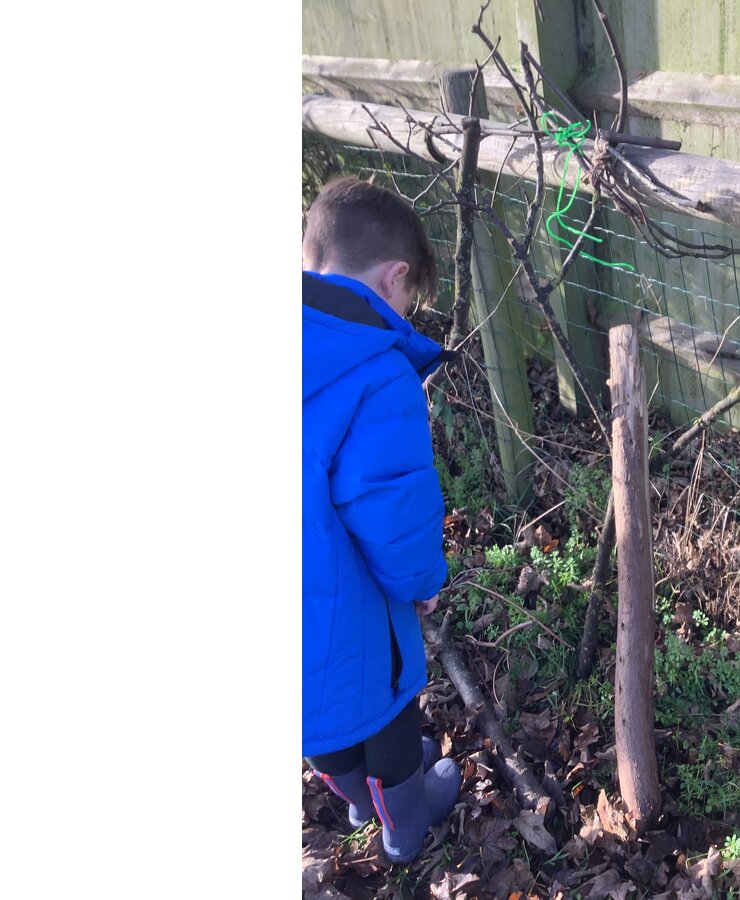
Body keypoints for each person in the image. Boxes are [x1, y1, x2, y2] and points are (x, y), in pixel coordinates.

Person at [301, 177, 460, 864]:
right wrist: (421, 583)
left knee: (314, 711)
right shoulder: (375, 372)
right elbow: (391, 509)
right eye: (408, 300)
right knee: (386, 709)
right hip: (349, 602)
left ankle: (359, 799)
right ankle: (405, 822)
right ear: (395, 277)